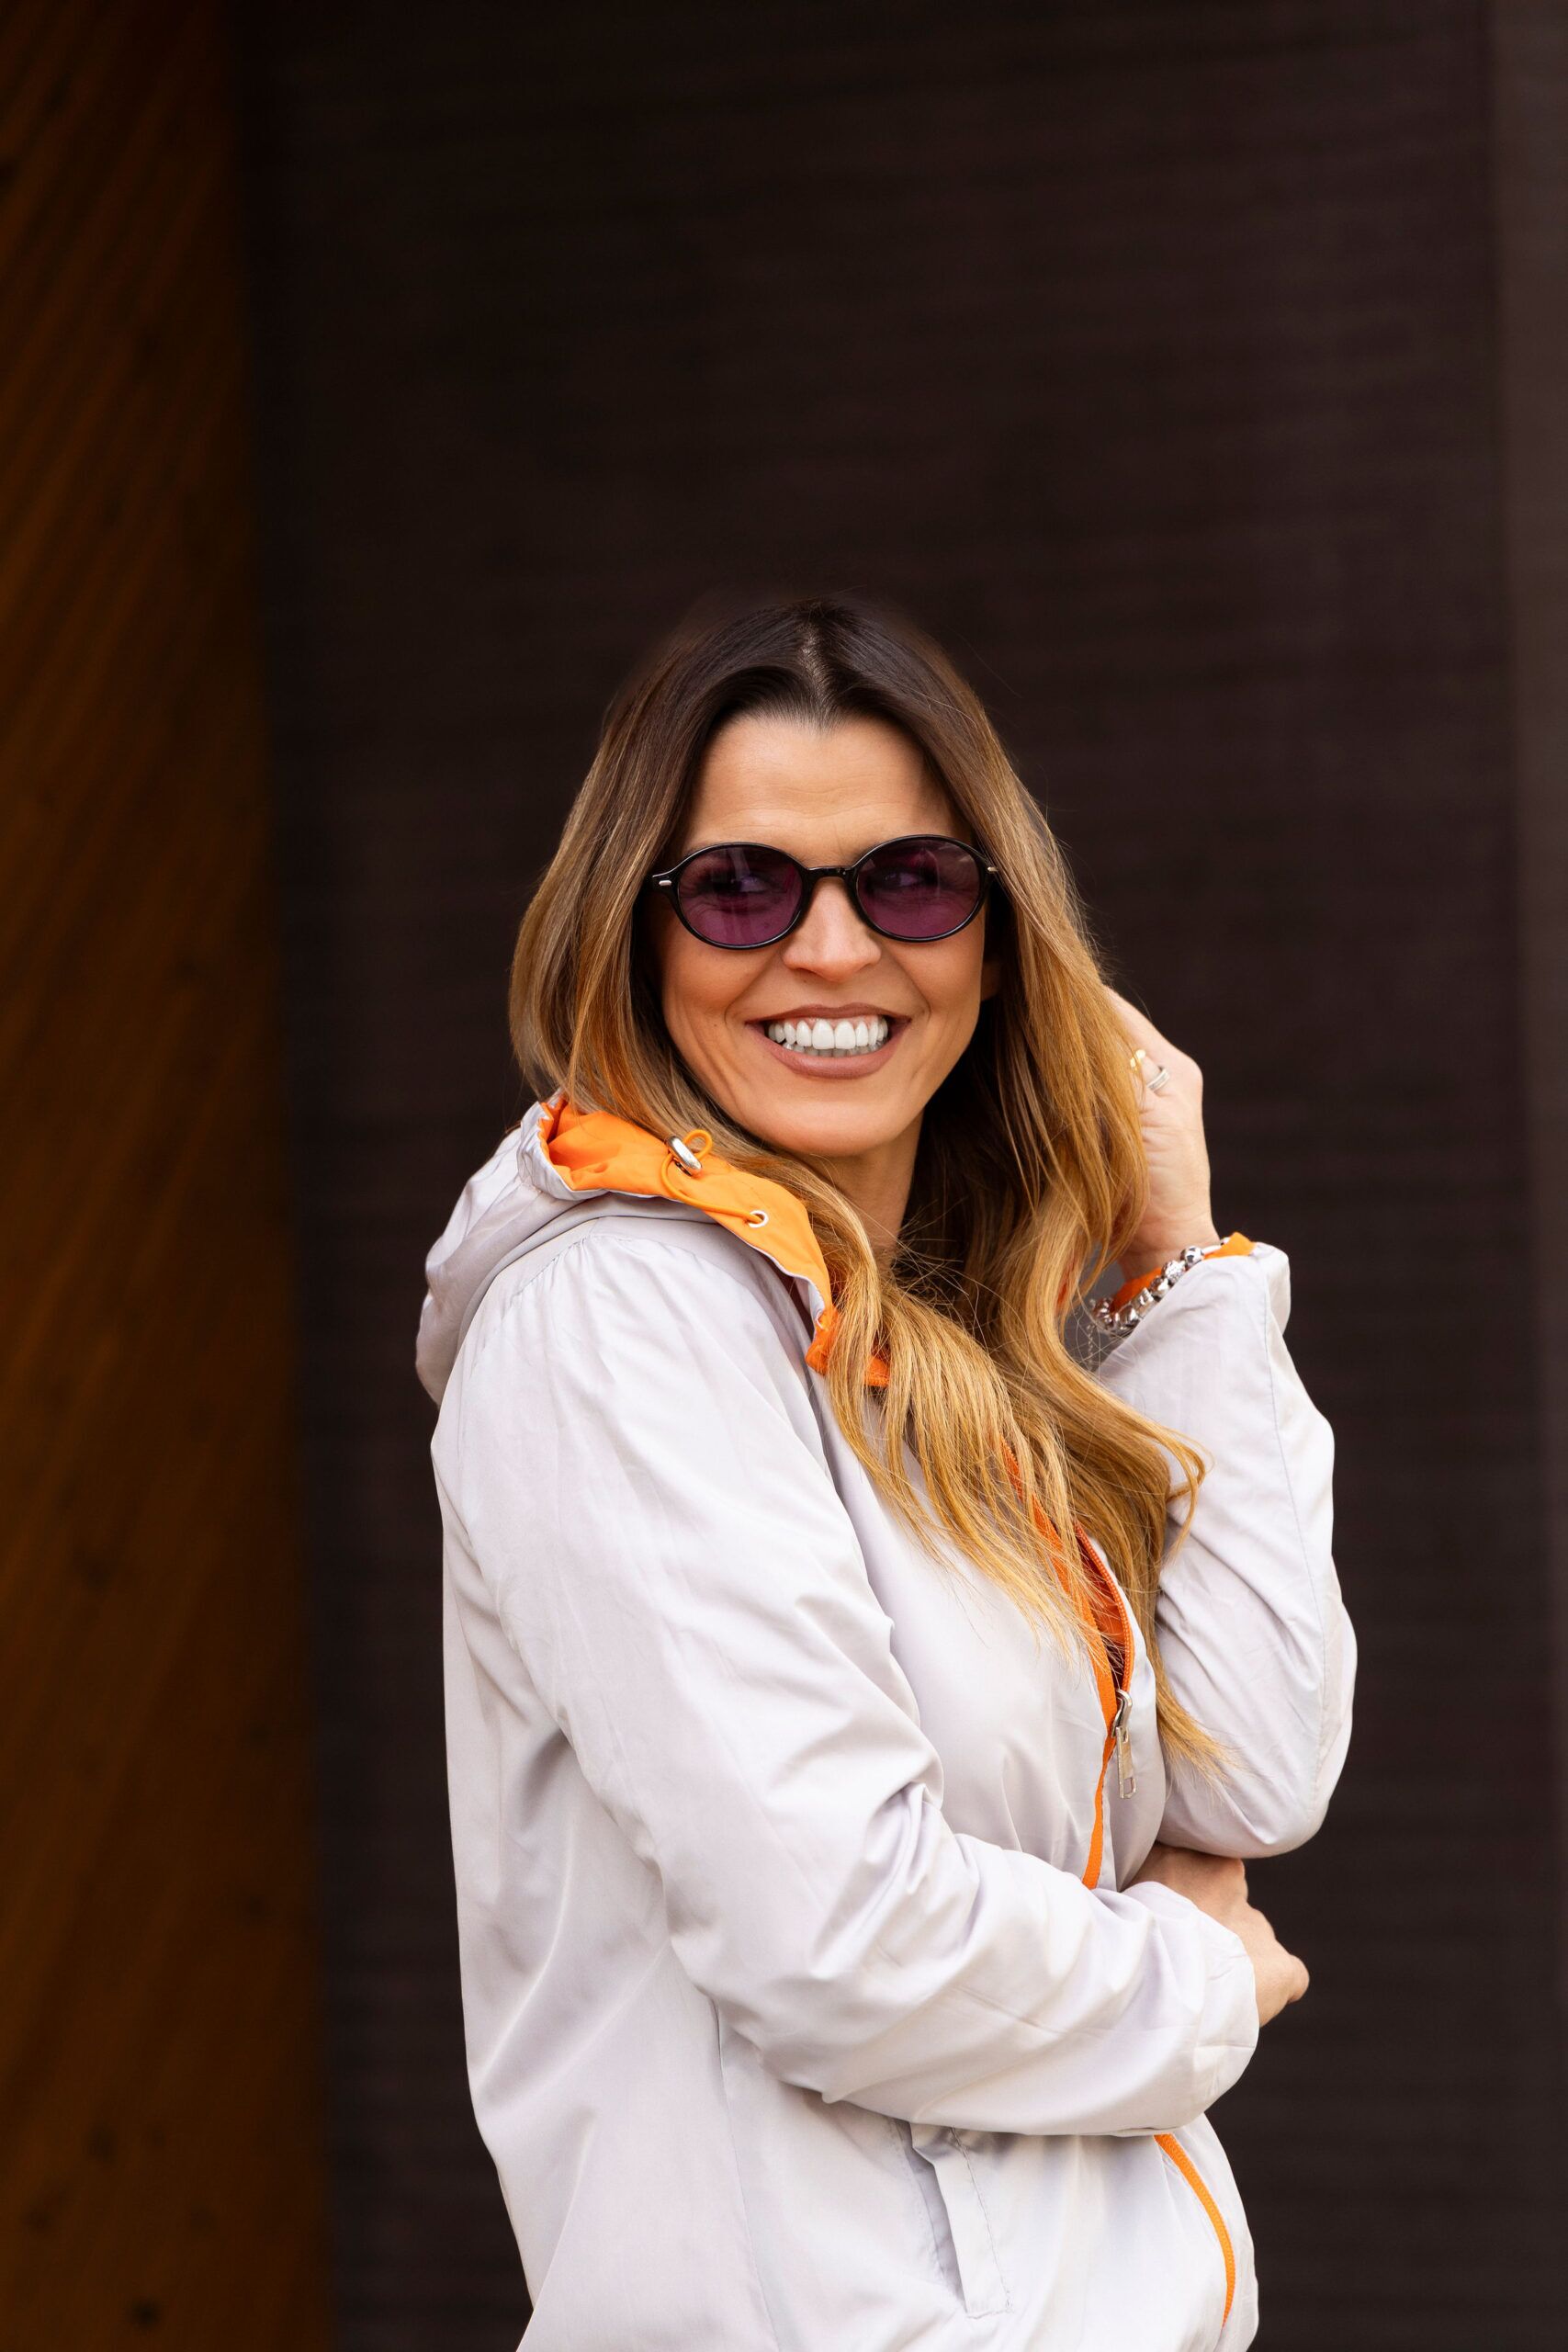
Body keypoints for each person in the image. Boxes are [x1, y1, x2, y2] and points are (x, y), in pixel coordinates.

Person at [415, 591, 1355, 2351]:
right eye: (742, 889)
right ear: (639, 937)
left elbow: (1256, 1769)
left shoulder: (939, 1348)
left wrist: (1180, 1262)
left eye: (910, 883)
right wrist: (1195, 1983)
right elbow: (837, 1931)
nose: (833, 950)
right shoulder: (618, 1318)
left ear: (997, 940)